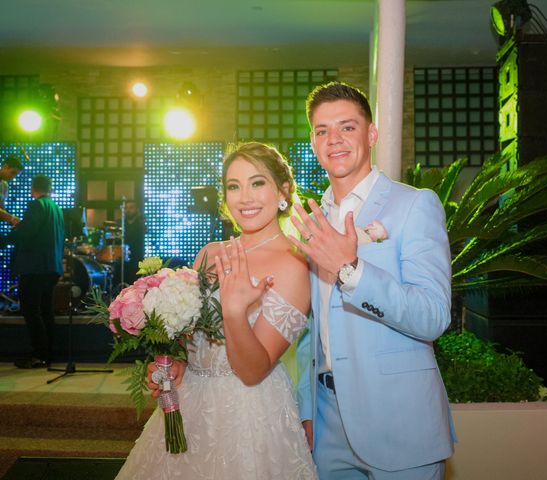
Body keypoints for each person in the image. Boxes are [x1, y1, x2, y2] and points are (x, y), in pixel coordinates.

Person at [115, 142, 318, 479]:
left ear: (282, 190)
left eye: (257, 183)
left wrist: (235, 311)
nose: (245, 197)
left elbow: (253, 371)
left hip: (249, 413)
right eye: (233, 186)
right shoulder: (210, 253)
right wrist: (174, 361)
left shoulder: (293, 264)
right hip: (191, 400)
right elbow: (191, 338)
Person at [289, 82, 455, 479]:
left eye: (347, 127)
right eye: (322, 130)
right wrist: (307, 408)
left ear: (371, 133)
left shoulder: (414, 204)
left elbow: (433, 316)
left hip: (399, 419)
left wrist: (351, 270)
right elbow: (313, 327)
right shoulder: (315, 219)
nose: (334, 140)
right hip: (327, 423)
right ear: (312, 142)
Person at [0, 174, 64, 368]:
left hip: (35, 267)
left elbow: (27, 232)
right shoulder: (56, 208)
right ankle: (48, 353)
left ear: (33, 188)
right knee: (45, 311)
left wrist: (4, 238)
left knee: (31, 310)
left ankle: (39, 354)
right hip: (52, 266)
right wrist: (16, 222)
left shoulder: (36, 205)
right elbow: (36, 230)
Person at [122, 200, 145, 285]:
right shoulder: (121, 224)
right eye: (126, 208)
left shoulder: (141, 224)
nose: (128, 210)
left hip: (137, 259)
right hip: (123, 260)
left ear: (137, 209)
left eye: (131, 208)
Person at [0, 154, 24, 226]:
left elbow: (1, 208)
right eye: (13, 172)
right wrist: (12, 219)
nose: (13, 177)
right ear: (5, 167)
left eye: (15, 175)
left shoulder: (4, 185)